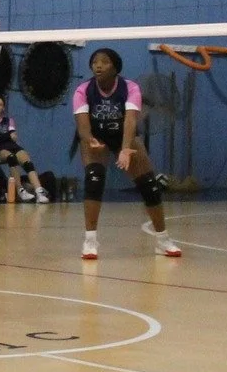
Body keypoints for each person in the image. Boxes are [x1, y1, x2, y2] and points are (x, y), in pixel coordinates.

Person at [73, 47, 181, 260]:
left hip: (124, 135)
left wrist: (124, 149)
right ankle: (90, 241)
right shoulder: (83, 90)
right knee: (94, 179)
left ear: (115, 67)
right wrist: (89, 140)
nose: (98, 66)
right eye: (95, 62)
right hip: (95, 137)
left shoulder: (130, 88)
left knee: (149, 185)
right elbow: (83, 126)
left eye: (104, 62)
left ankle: (163, 239)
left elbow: (130, 120)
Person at [0, 95, 45, 204]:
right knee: (11, 158)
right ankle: (20, 190)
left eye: (0, 105)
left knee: (27, 161)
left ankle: (39, 191)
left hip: (13, 146)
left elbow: (13, 137)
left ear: (3, 108)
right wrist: (6, 136)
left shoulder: (9, 120)